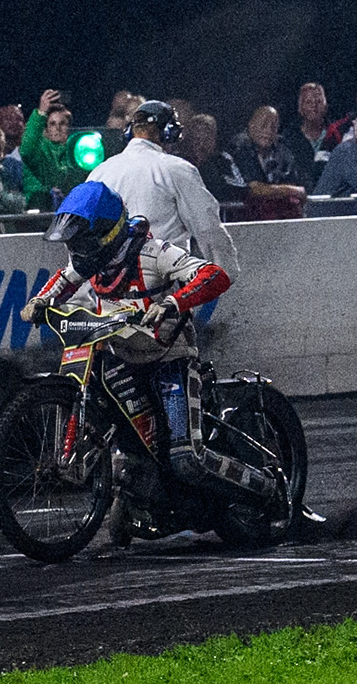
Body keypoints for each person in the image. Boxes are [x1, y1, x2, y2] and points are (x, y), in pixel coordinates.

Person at [17, 181, 233, 520]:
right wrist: (40, 301)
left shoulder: (154, 252)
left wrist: (174, 302)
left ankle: (258, 489)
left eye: (81, 240)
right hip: (121, 355)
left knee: (186, 459)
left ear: (105, 233)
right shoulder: (93, 260)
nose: (76, 249)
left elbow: (214, 275)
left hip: (169, 358)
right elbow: (64, 278)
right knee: (117, 421)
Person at [87, 100, 239, 273]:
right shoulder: (177, 169)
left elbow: (85, 232)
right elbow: (206, 227)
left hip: (111, 287)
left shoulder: (99, 173)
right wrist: (225, 272)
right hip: (162, 284)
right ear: (170, 133)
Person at [228, 105, 307, 220]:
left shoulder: (282, 149)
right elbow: (255, 189)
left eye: (274, 126)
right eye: (264, 124)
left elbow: (295, 182)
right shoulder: (239, 147)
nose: (269, 130)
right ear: (251, 124)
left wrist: (288, 190)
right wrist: (289, 190)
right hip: (242, 220)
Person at [20, 89, 88, 208]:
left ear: (69, 128)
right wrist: (41, 113)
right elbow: (26, 150)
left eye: (62, 123)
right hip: (42, 211)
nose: (57, 128)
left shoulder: (79, 152)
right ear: (45, 129)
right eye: (52, 124)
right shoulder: (39, 152)